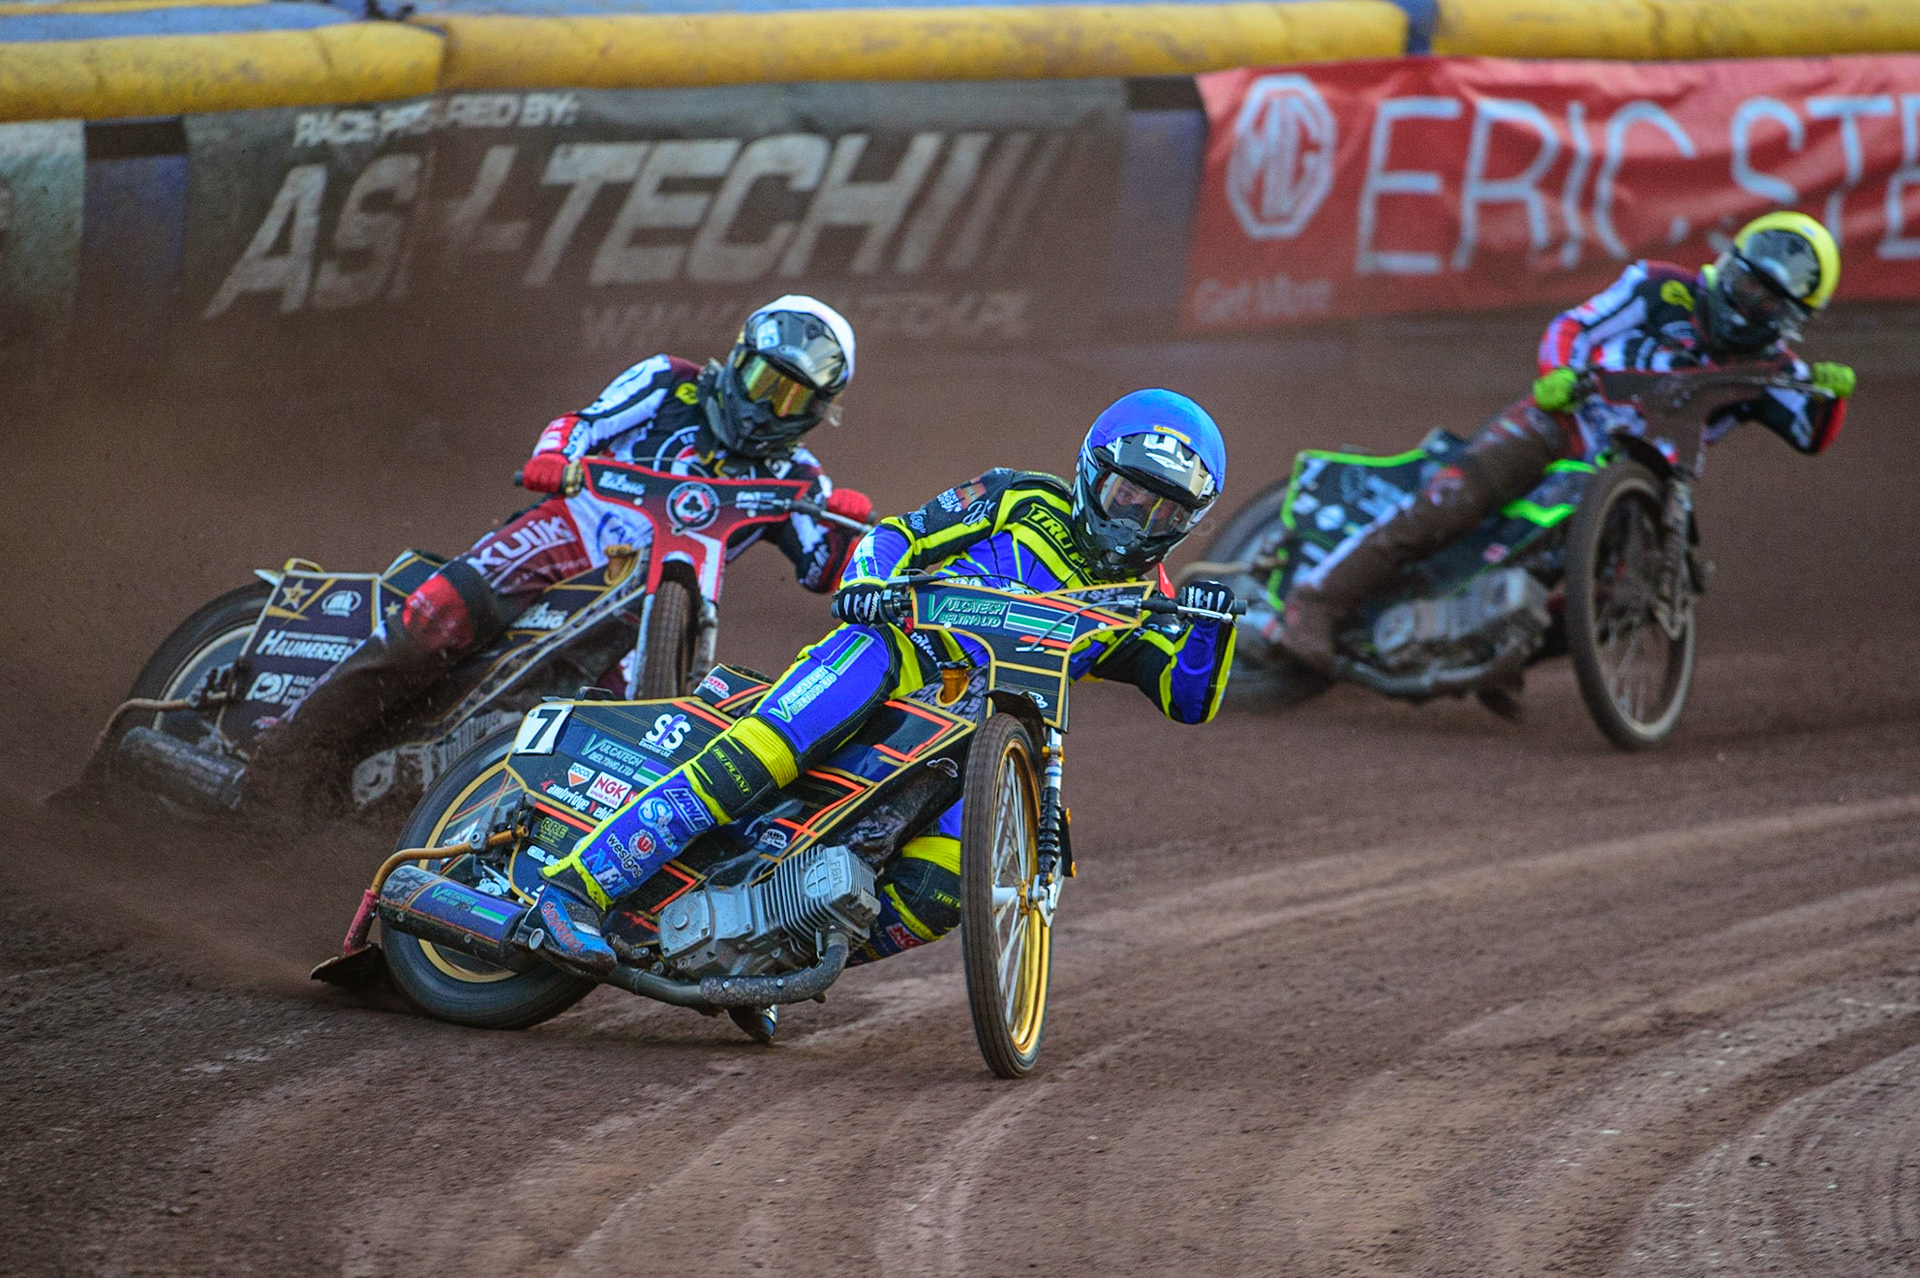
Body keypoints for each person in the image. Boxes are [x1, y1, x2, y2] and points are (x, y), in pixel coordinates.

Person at [518, 388, 1240, 1041]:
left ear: (1188, 524)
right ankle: (574, 889)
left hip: (983, 742)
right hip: (892, 656)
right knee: (765, 752)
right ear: (1092, 471)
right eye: (1127, 495)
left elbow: (1185, 697)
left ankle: (772, 956)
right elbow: (897, 534)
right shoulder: (1017, 498)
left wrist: (1209, 628)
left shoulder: (1144, 601)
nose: (1136, 521)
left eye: (1162, 512)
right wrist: (868, 581)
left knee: (954, 880)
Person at [245, 295, 874, 810]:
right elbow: (584, 422)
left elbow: (828, 570)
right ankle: (285, 753)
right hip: (570, 532)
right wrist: (554, 457)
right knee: (436, 618)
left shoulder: (799, 480)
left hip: (651, 616)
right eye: (764, 380)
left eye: (789, 398)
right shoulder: (669, 381)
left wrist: (852, 528)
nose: (767, 405)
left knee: (626, 735)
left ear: (816, 413)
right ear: (739, 360)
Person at [1277, 211, 1857, 678]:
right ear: (1727, 266)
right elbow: (1574, 325)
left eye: (1767, 302)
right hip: (1563, 420)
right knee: (1451, 502)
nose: (1747, 304)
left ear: (1791, 318)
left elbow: (1810, 434)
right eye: (1745, 284)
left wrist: (1830, 396)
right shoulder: (1661, 288)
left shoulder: (1770, 367)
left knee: (1634, 585)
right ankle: (1315, 602)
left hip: (1639, 472)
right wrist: (1559, 372)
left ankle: (1491, 650)